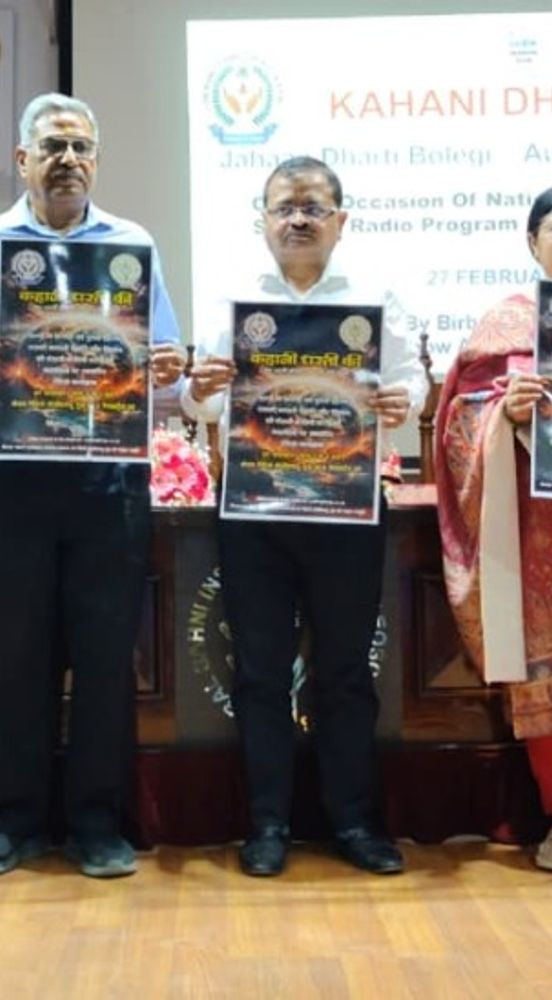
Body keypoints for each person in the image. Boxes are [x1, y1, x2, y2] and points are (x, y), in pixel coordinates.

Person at [0, 92, 185, 878]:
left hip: (107, 473)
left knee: (105, 655)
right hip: (9, 475)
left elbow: (168, 369)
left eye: (79, 147)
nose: (66, 159)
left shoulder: (132, 244)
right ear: (23, 160)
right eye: (51, 146)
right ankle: (13, 822)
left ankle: (98, 825)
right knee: (12, 654)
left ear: (96, 160)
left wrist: (168, 371)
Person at [184, 156, 426, 876]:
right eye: (284, 207)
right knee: (259, 671)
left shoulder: (375, 298)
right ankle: (267, 824)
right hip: (255, 511)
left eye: (313, 208)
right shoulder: (233, 300)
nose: (297, 219)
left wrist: (402, 401)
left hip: (346, 509)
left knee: (346, 671)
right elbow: (204, 404)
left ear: (340, 221)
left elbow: (410, 382)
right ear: (262, 220)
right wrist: (200, 388)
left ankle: (353, 822)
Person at [435, 187, 552, 872]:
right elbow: (460, 420)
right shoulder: (506, 326)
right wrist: (505, 417)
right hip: (537, 532)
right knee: (547, 678)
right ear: (532, 242)